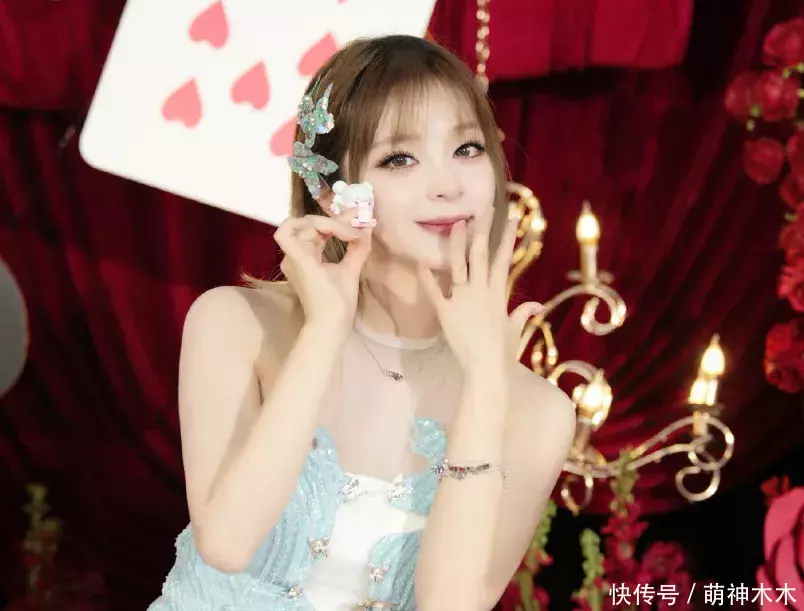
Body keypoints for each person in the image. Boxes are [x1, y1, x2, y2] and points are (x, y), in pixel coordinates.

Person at [148, 34, 575, 611]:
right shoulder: (234, 324)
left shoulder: (539, 411)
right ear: (331, 193)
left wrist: (484, 385)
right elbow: (227, 543)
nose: (448, 185)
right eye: (400, 158)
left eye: (467, 149)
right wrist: (324, 330)